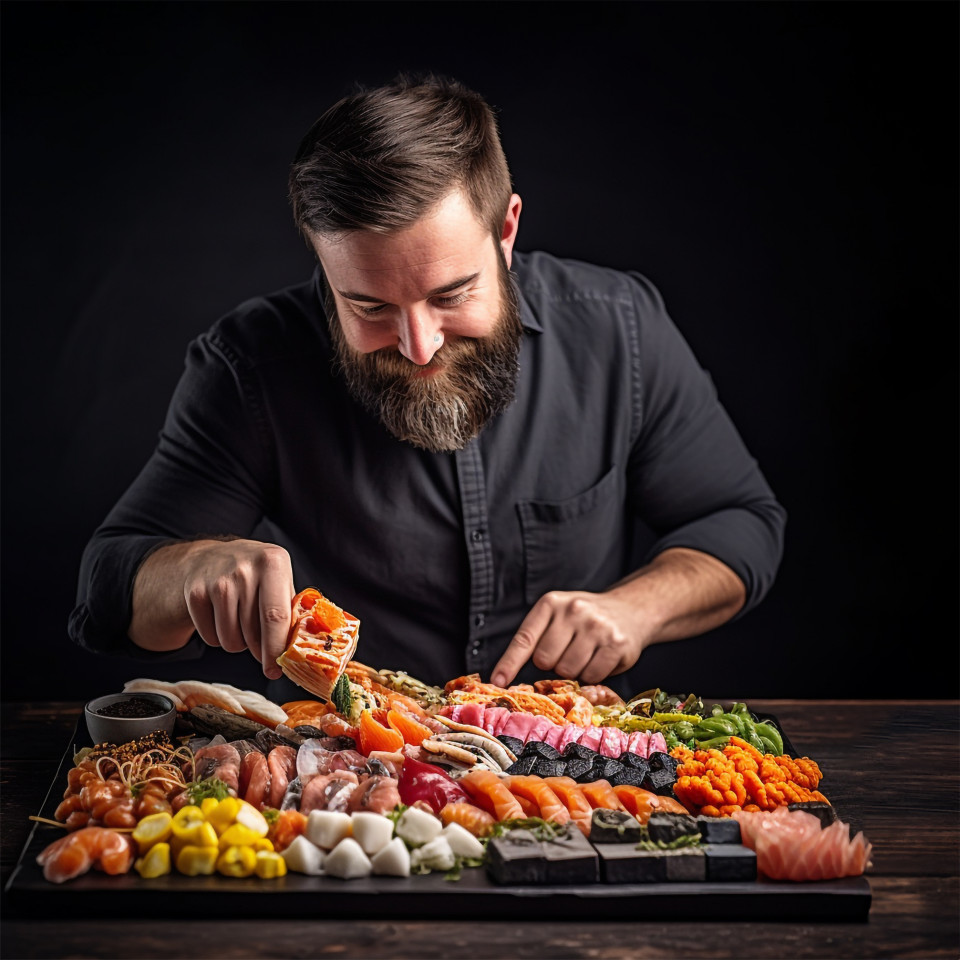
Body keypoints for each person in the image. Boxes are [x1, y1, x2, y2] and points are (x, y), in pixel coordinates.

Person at [68, 74, 786, 703]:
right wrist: (191, 569)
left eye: (453, 293)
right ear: (324, 261)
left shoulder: (620, 328)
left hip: (578, 777)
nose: (420, 346)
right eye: (369, 306)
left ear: (506, 232)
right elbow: (106, 593)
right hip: (338, 787)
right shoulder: (249, 365)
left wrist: (639, 607)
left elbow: (742, 522)